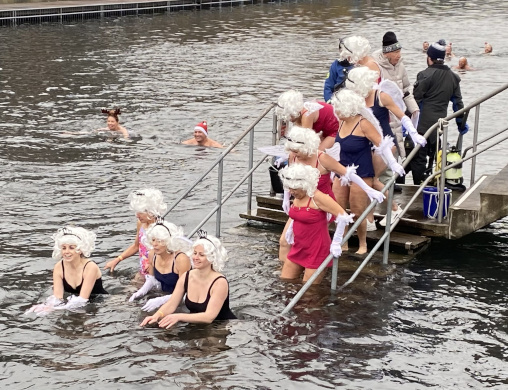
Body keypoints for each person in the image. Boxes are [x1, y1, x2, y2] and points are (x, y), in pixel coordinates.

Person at [278, 125, 385, 263]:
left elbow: (347, 173)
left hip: (322, 206)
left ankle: (314, 268)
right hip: (301, 203)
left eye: (297, 150)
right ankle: (284, 273)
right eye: (292, 150)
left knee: (310, 241)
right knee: (285, 241)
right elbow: (290, 178)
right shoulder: (293, 156)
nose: (294, 153)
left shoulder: (322, 158)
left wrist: (368, 189)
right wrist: (286, 198)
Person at [343, 66, 425, 227]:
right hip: (367, 145)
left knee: (371, 180)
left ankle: (390, 210)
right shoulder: (356, 99)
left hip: (386, 144)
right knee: (368, 180)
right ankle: (371, 218)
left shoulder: (381, 96)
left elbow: (402, 116)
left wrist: (414, 133)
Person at [331, 89, 404, 254]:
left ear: (348, 108)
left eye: (338, 108)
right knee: (339, 210)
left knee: (358, 211)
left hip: (361, 173)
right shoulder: (340, 122)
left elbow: (382, 145)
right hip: (341, 172)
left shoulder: (363, 123)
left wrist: (392, 164)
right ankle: (343, 242)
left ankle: (362, 244)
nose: (335, 112)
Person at [140, 231, 236, 329]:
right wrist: (157, 315)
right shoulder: (187, 276)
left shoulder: (220, 282)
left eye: (201, 255)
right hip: (196, 326)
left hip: (221, 326)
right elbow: (172, 304)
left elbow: (209, 317)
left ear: (212, 258)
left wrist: (178, 316)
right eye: (194, 253)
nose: (195, 258)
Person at [278, 163, 354, 283]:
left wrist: (336, 241)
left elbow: (343, 216)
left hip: (317, 249)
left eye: (294, 189)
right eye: (289, 188)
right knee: (285, 282)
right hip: (299, 246)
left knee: (309, 292)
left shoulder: (318, 197)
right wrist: (290, 230)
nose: (291, 191)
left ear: (304, 185)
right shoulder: (297, 195)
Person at [411, 41, 467, 185]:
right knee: (436, 154)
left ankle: (419, 186)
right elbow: (458, 105)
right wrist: (461, 124)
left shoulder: (424, 75)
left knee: (418, 157)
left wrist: (405, 122)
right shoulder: (454, 78)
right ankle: (434, 180)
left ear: (429, 57)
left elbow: (414, 101)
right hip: (440, 126)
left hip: (421, 126)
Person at [26, 227, 108, 315]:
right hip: (76, 303)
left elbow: (82, 299)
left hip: (99, 304)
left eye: (71, 248)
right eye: (64, 248)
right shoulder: (59, 267)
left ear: (80, 250)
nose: (66, 252)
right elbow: (58, 297)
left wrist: (56, 308)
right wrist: (47, 305)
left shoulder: (90, 267)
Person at [373, 31, 421, 165]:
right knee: (386, 150)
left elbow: (406, 90)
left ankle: (395, 182)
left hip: (398, 115)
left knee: (399, 146)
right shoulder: (376, 67)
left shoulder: (401, 66)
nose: (398, 55)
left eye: (399, 51)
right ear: (386, 53)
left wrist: (414, 109)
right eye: (395, 52)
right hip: (384, 115)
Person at [104, 189, 168, 282]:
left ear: (150, 211)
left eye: (140, 212)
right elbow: (136, 246)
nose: (137, 215)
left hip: (156, 273)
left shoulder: (161, 228)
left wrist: (152, 264)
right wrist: (117, 260)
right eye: (136, 212)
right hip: (143, 270)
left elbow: (166, 255)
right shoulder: (140, 224)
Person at [129, 218, 192, 310]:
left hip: (182, 301)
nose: (155, 244)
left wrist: (161, 300)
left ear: (169, 241)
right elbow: (152, 279)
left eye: (160, 241)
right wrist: (142, 291)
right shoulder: (152, 254)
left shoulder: (181, 259)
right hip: (165, 294)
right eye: (153, 240)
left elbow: (186, 292)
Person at [323, 38, 355, 102]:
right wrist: (330, 101)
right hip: (337, 101)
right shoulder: (335, 65)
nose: (342, 52)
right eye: (340, 50)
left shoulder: (359, 65)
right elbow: (328, 87)